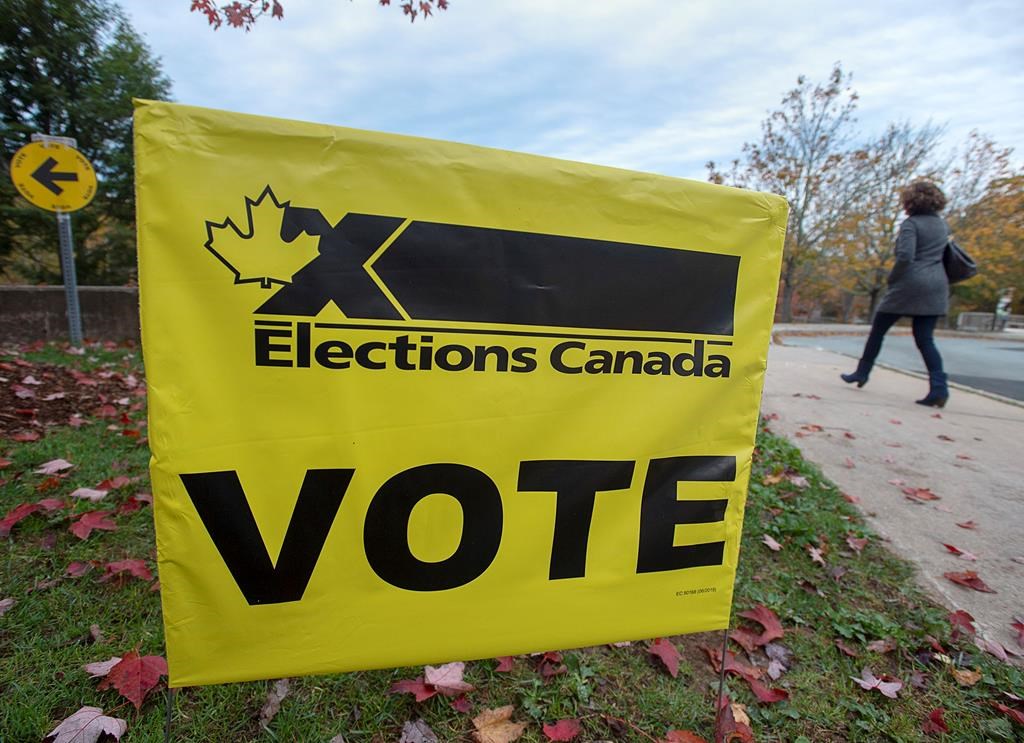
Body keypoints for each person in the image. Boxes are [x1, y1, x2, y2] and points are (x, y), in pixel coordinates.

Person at [841, 180, 951, 407]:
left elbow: (905, 257)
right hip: (936, 285)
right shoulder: (942, 226)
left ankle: (862, 372)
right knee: (925, 339)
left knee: (878, 330)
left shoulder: (911, 224)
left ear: (910, 201)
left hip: (910, 284)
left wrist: (893, 279)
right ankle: (939, 388)